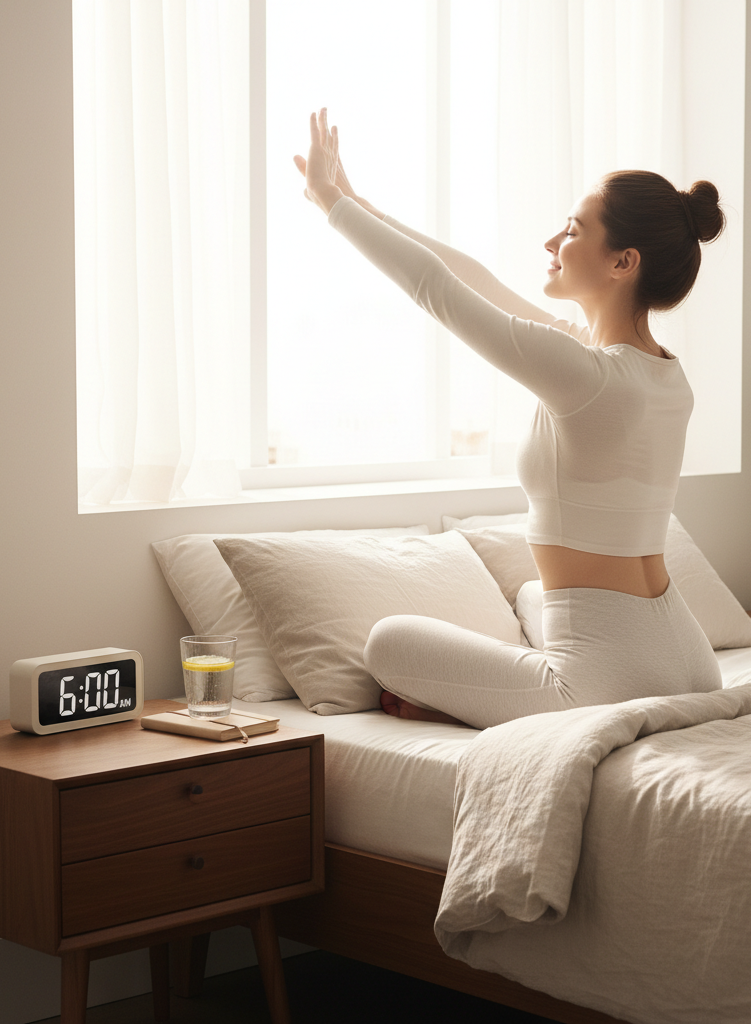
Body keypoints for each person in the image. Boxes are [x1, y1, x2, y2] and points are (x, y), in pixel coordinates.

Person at [295, 108, 725, 730]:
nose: (553, 244)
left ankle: (482, 695)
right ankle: (491, 685)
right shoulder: (660, 373)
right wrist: (359, 202)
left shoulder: (582, 373)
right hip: (688, 660)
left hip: (601, 676)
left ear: (622, 262)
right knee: (529, 597)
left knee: (387, 641)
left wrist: (332, 204)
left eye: (573, 231)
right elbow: (479, 281)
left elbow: (437, 289)